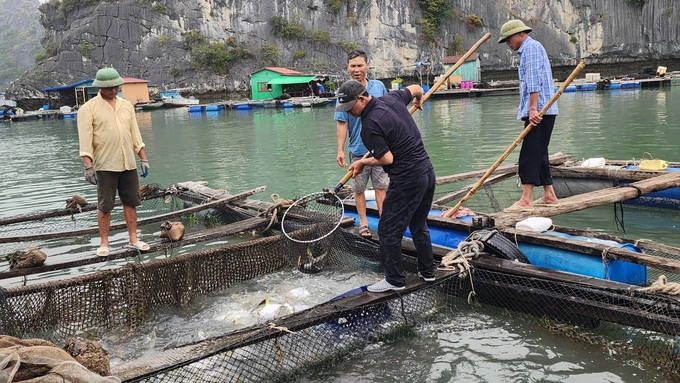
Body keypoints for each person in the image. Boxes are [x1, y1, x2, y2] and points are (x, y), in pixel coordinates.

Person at [335, 80, 436, 293]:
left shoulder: (369, 126)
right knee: (419, 225)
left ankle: (394, 280)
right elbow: (417, 87)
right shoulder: (393, 98)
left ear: (362, 99)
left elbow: (387, 159)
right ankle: (428, 272)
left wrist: (363, 162)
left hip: (407, 179)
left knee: (387, 229)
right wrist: (419, 100)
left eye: (350, 108)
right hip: (427, 172)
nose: (349, 113)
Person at [77, 67, 151, 257]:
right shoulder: (88, 109)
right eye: (109, 87)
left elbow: (135, 135)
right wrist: (88, 166)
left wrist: (143, 158)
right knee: (105, 205)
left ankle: (133, 238)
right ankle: (104, 242)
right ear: (101, 87)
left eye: (116, 86)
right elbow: (85, 140)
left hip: (128, 163)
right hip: (104, 166)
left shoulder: (126, 105)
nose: (114, 90)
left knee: (131, 202)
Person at [498, 19, 560, 212]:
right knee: (539, 152)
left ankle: (526, 199)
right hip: (542, 110)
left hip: (540, 111)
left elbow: (534, 80)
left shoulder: (531, 48)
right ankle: (549, 195)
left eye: (509, 39)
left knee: (530, 153)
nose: (508, 43)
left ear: (520, 35)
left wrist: (533, 109)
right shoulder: (529, 49)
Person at [334, 50, 389, 238]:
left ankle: (384, 222)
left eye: (360, 65)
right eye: (353, 66)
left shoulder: (379, 87)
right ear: (347, 68)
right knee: (359, 188)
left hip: (380, 148)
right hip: (358, 149)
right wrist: (340, 150)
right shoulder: (344, 92)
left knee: (382, 186)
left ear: (367, 65)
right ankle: (363, 223)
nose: (356, 70)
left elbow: (388, 112)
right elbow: (342, 123)